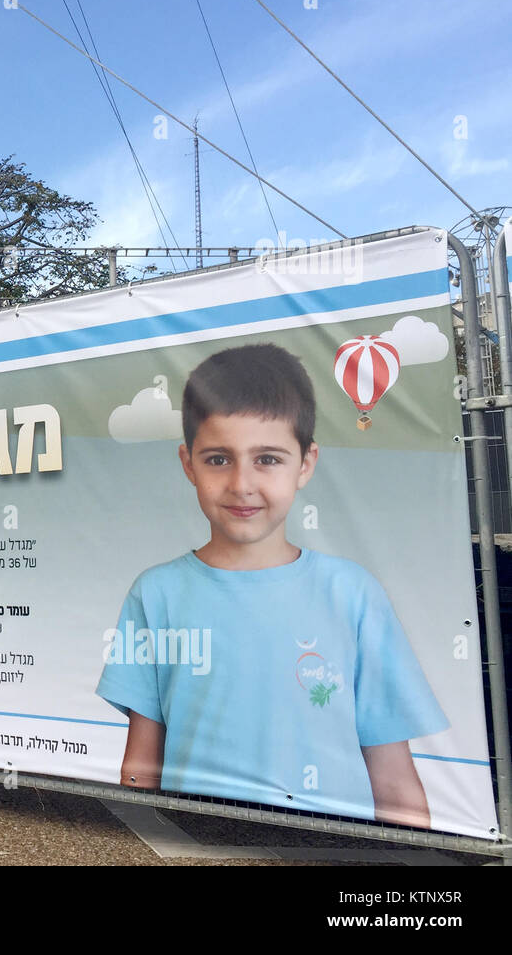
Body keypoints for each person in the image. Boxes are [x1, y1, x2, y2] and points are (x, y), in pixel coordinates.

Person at [96, 342, 448, 828]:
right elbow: (141, 763)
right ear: (188, 463)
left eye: (268, 459)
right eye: (219, 459)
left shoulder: (353, 594)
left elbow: (392, 776)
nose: (242, 483)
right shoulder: (154, 595)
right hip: (198, 849)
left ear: (305, 463)